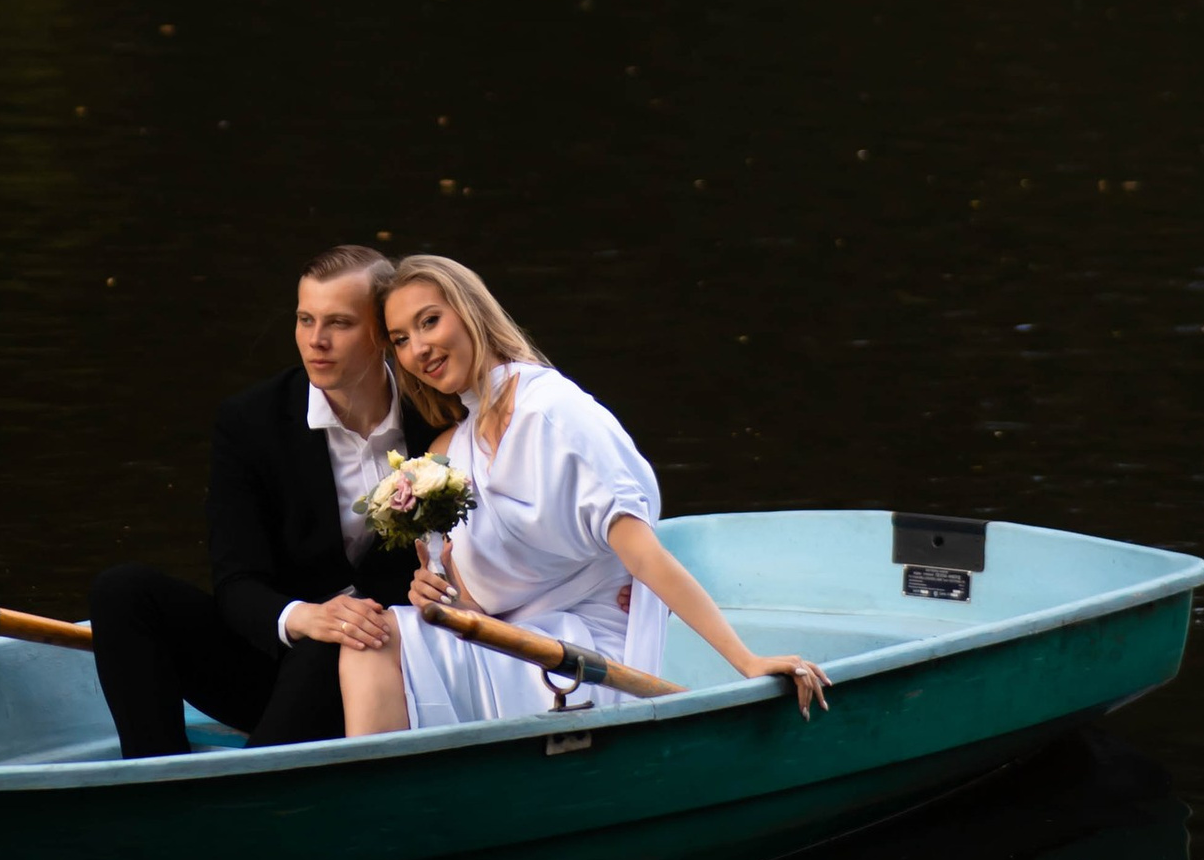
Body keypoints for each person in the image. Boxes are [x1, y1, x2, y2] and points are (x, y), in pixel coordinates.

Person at [335, 253, 832, 734]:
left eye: (429, 322)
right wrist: (439, 592)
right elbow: (480, 610)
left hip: (587, 657)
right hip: (516, 646)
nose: (418, 349)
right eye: (401, 340)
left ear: (471, 313)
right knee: (369, 638)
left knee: (375, 642)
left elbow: (644, 555)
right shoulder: (453, 450)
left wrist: (747, 661)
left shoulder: (552, 412)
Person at [89, 243, 454, 758]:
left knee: (339, 643)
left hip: (391, 668)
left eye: (339, 323)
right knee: (123, 592)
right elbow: (236, 581)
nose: (316, 340)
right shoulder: (250, 422)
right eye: (305, 320)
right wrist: (302, 617)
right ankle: (154, 776)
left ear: (382, 333)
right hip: (277, 660)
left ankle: (248, 791)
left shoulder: (438, 416)